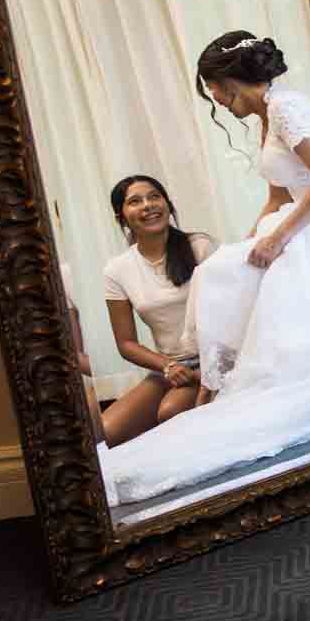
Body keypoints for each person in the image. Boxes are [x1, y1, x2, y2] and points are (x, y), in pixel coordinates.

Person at [99, 33, 310, 504]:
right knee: (219, 270)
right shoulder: (268, 118)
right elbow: (276, 191)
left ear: (229, 83)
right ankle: (214, 383)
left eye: (216, 92)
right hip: (300, 220)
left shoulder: (290, 109)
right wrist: (252, 240)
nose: (219, 103)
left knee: (230, 274)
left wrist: (278, 237)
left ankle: (225, 387)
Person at [97, 176, 218, 445]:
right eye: (135, 201)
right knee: (108, 431)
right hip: (169, 366)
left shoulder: (200, 246)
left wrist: (208, 371)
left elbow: (230, 314)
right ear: (122, 216)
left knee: (170, 411)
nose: (148, 205)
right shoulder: (116, 270)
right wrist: (167, 366)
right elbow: (126, 343)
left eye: (154, 196)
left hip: (213, 358)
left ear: (167, 203)